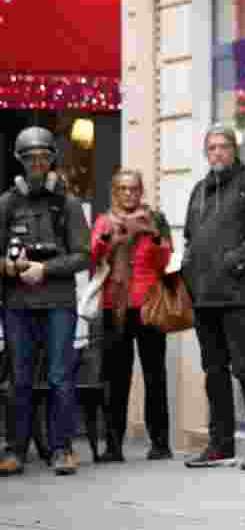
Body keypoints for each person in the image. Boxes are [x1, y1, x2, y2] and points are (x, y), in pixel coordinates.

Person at [181, 124, 245, 471]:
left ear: (234, 150)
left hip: (237, 295)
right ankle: (220, 444)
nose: (218, 153)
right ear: (205, 153)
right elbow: (191, 239)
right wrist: (188, 271)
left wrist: (236, 262)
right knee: (214, 372)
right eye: (212, 148)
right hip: (204, 297)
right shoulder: (199, 191)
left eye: (224, 147)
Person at [0, 127, 90, 476]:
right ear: (20, 162)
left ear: (52, 160)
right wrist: (9, 266)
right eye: (30, 158)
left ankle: (62, 449)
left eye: (43, 157)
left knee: (59, 377)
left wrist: (46, 269)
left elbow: (84, 255)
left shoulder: (65, 203)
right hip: (18, 305)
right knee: (18, 380)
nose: (37, 164)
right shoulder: (7, 203)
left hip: (58, 304)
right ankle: (14, 450)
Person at [90, 170, 173, 462]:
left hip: (149, 303)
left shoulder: (156, 219)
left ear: (141, 191)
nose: (129, 194)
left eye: (134, 189)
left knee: (155, 376)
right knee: (116, 378)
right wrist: (112, 237)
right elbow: (94, 257)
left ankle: (160, 444)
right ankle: (114, 446)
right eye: (123, 189)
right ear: (115, 192)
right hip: (116, 305)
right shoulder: (104, 221)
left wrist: (152, 235)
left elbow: (165, 259)